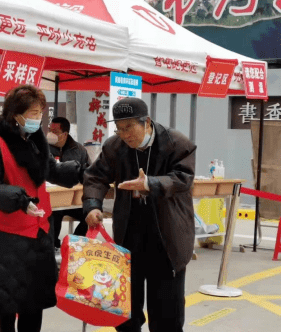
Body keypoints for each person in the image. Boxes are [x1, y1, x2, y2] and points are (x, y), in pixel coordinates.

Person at [83, 97, 196, 332]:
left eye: (129, 128)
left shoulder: (176, 143)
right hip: (129, 238)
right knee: (125, 313)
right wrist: (93, 205)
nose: (125, 135)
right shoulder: (114, 147)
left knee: (167, 316)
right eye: (120, 129)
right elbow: (96, 177)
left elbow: (183, 178)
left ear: (147, 123)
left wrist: (150, 184)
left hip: (167, 238)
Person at [0, 85, 82, 332]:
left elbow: (52, 170)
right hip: (6, 236)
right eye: (33, 113)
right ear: (16, 114)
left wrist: (83, 171)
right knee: (6, 307)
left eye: (40, 113)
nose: (38, 118)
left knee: (33, 308)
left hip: (38, 233)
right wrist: (21, 200)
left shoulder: (35, 140)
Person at [47, 117, 90, 253]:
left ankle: (74, 244)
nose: (50, 134)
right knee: (54, 214)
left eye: (54, 131)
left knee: (90, 214)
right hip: (53, 199)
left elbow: (88, 173)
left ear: (64, 134)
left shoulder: (79, 150)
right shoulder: (44, 149)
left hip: (74, 199)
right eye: (49, 130)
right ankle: (53, 246)